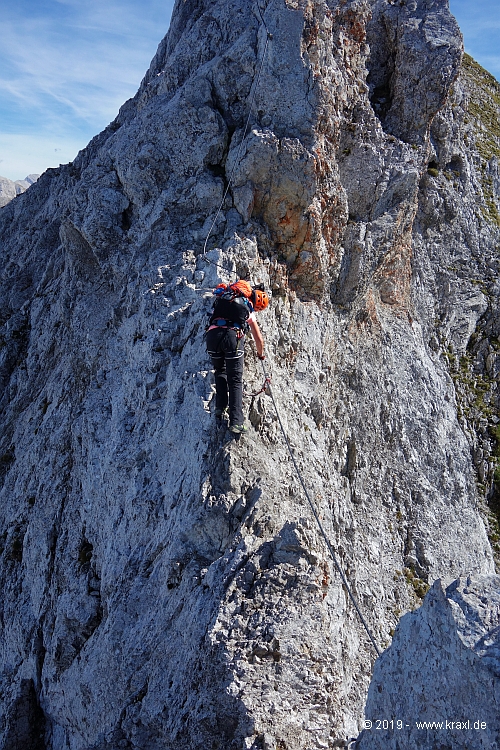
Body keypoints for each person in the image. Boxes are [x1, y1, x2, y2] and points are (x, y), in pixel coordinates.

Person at [205, 281, 269, 433]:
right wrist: (261, 355)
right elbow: (258, 339)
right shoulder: (247, 307)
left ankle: (220, 408)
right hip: (231, 336)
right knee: (235, 380)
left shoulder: (225, 296)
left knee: (220, 370)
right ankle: (236, 422)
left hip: (212, 336)